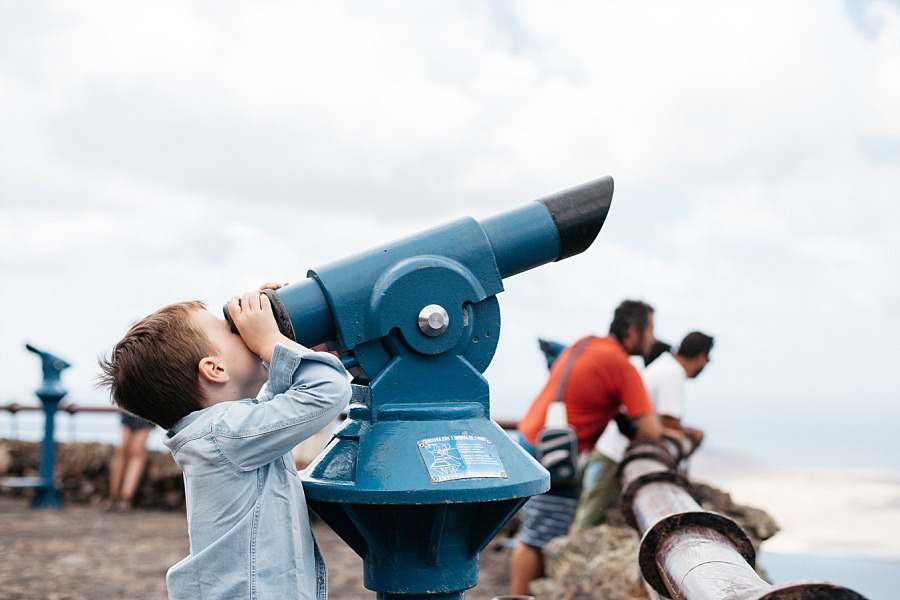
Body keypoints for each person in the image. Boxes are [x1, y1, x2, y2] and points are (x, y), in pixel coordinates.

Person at [98, 284, 351, 600]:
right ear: (214, 369)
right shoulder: (225, 434)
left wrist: (280, 320)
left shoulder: (222, 432)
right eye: (231, 331)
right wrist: (271, 340)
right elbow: (328, 390)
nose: (242, 332)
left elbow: (280, 404)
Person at [509, 300, 665, 596]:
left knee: (539, 533)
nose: (654, 340)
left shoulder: (588, 343)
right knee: (536, 539)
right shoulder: (622, 365)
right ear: (633, 331)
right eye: (651, 331)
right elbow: (650, 431)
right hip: (554, 455)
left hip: (531, 442)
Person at [571, 330, 714, 532]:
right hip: (614, 455)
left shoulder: (665, 366)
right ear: (701, 357)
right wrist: (692, 433)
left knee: (593, 516)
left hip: (612, 452)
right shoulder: (672, 373)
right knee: (588, 520)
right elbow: (669, 421)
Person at [106, 411, 154, 511]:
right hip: (129, 408)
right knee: (122, 449)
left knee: (137, 450)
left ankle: (126, 496)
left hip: (148, 410)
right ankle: (114, 495)